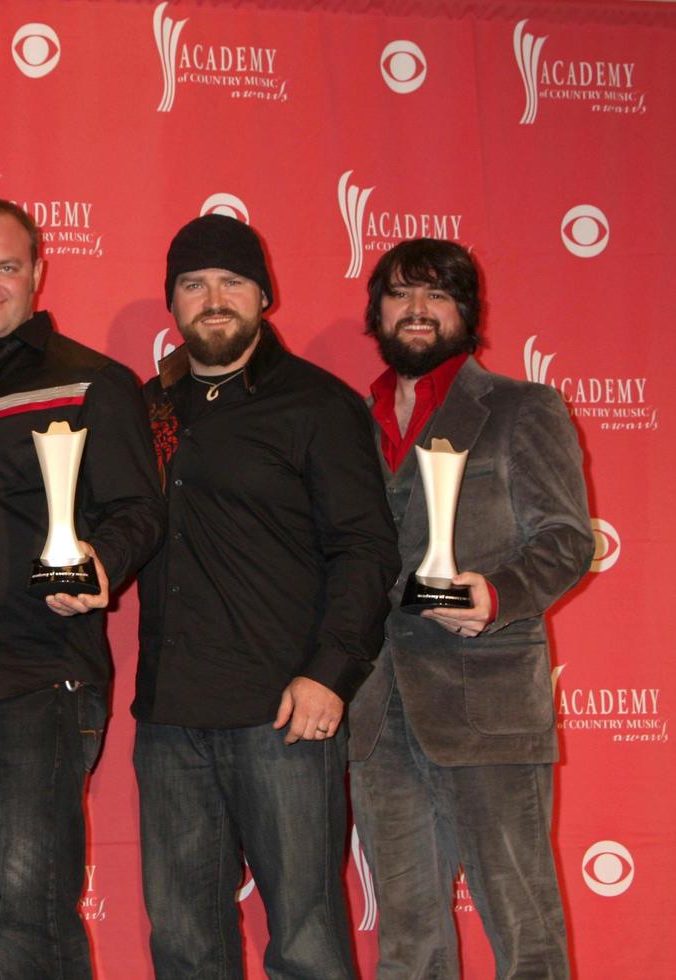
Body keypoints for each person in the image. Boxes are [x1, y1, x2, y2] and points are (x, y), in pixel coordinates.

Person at [133, 213, 400, 978]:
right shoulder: (147, 407)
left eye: (231, 282)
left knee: (307, 943)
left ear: (264, 295)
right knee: (184, 944)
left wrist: (329, 673)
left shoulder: (319, 405)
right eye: (193, 284)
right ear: (173, 303)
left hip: (285, 715)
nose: (213, 298)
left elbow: (365, 548)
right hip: (170, 716)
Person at [0, 197, 164, 978]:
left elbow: (136, 512)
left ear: (38, 273)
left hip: (36, 683)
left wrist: (101, 563)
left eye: (6, 266)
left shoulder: (93, 380)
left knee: (32, 930)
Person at [349, 237, 592, 979]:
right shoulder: (347, 423)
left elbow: (567, 541)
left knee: (524, 928)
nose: (417, 310)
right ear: (377, 310)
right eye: (400, 293)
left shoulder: (522, 408)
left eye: (438, 295)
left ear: (467, 311)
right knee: (408, 938)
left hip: (487, 702)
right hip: (376, 708)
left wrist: (497, 594)